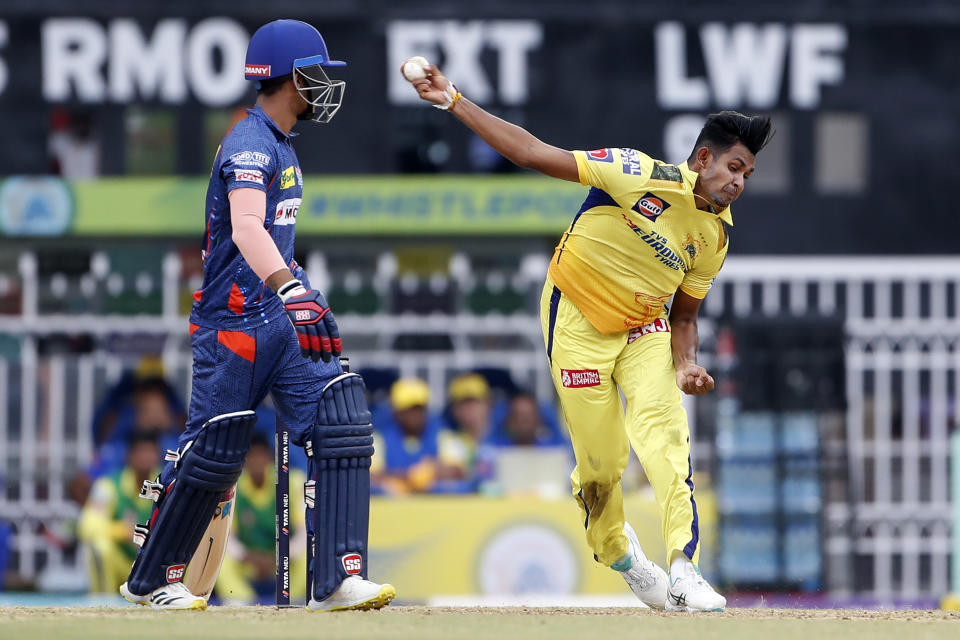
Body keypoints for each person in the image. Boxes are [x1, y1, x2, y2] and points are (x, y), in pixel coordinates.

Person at [404, 61, 772, 612]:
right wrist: (452, 99)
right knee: (602, 468)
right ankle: (622, 556)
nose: (739, 182)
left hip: (644, 328)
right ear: (702, 160)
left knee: (666, 442)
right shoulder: (635, 171)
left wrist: (686, 364)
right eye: (734, 167)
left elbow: (685, 317)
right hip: (574, 318)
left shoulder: (714, 238)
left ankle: (684, 568)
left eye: (748, 173)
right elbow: (531, 153)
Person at [119, 20, 394, 611]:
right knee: (215, 450)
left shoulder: (282, 144)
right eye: (317, 73)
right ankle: (152, 580)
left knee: (340, 422)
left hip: (278, 318)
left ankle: (339, 579)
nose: (325, 85)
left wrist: (299, 295)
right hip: (233, 327)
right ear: (292, 76)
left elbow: (275, 239)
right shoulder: (249, 143)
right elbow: (247, 229)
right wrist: (292, 291)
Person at [214, 434, 307, 604]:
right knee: (220, 561)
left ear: (271, 458)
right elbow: (225, 535)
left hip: (284, 560)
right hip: (248, 561)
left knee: (309, 553)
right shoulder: (231, 486)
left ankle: (292, 601)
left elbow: (304, 532)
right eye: (252, 456)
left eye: (261, 455)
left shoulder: (292, 481)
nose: (257, 461)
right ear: (244, 460)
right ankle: (241, 603)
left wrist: (281, 556)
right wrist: (246, 556)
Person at [78, 433, 161, 593]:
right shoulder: (108, 485)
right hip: (122, 563)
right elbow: (87, 526)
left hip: (155, 566)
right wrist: (123, 531)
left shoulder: (167, 485)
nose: (146, 458)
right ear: (130, 456)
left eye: (150, 453)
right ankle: (103, 603)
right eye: (141, 453)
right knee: (100, 546)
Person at [371, 378, 468, 494]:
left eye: (419, 409)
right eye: (408, 409)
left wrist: (431, 471)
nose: (414, 415)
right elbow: (370, 476)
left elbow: (459, 471)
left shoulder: (443, 436)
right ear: (397, 412)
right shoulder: (378, 440)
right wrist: (409, 476)